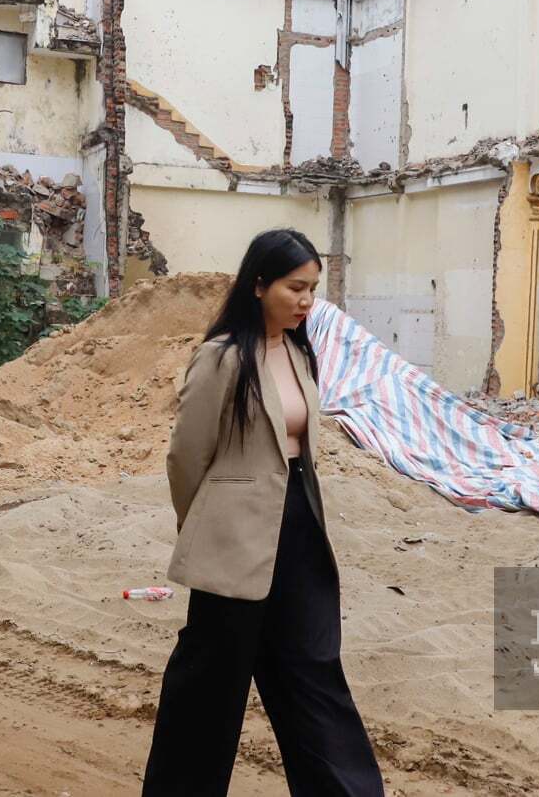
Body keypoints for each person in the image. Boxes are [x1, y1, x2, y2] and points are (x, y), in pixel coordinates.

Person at [142, 228, 385, 797]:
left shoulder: (299, 351)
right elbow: (187, 457)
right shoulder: (222, 357)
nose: (306, 301)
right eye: (294, 288)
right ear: (258, 285)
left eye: (312, 289)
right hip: (233, 540)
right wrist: (204, 532)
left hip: (299, 524)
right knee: (210, 685)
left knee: (312, 669)